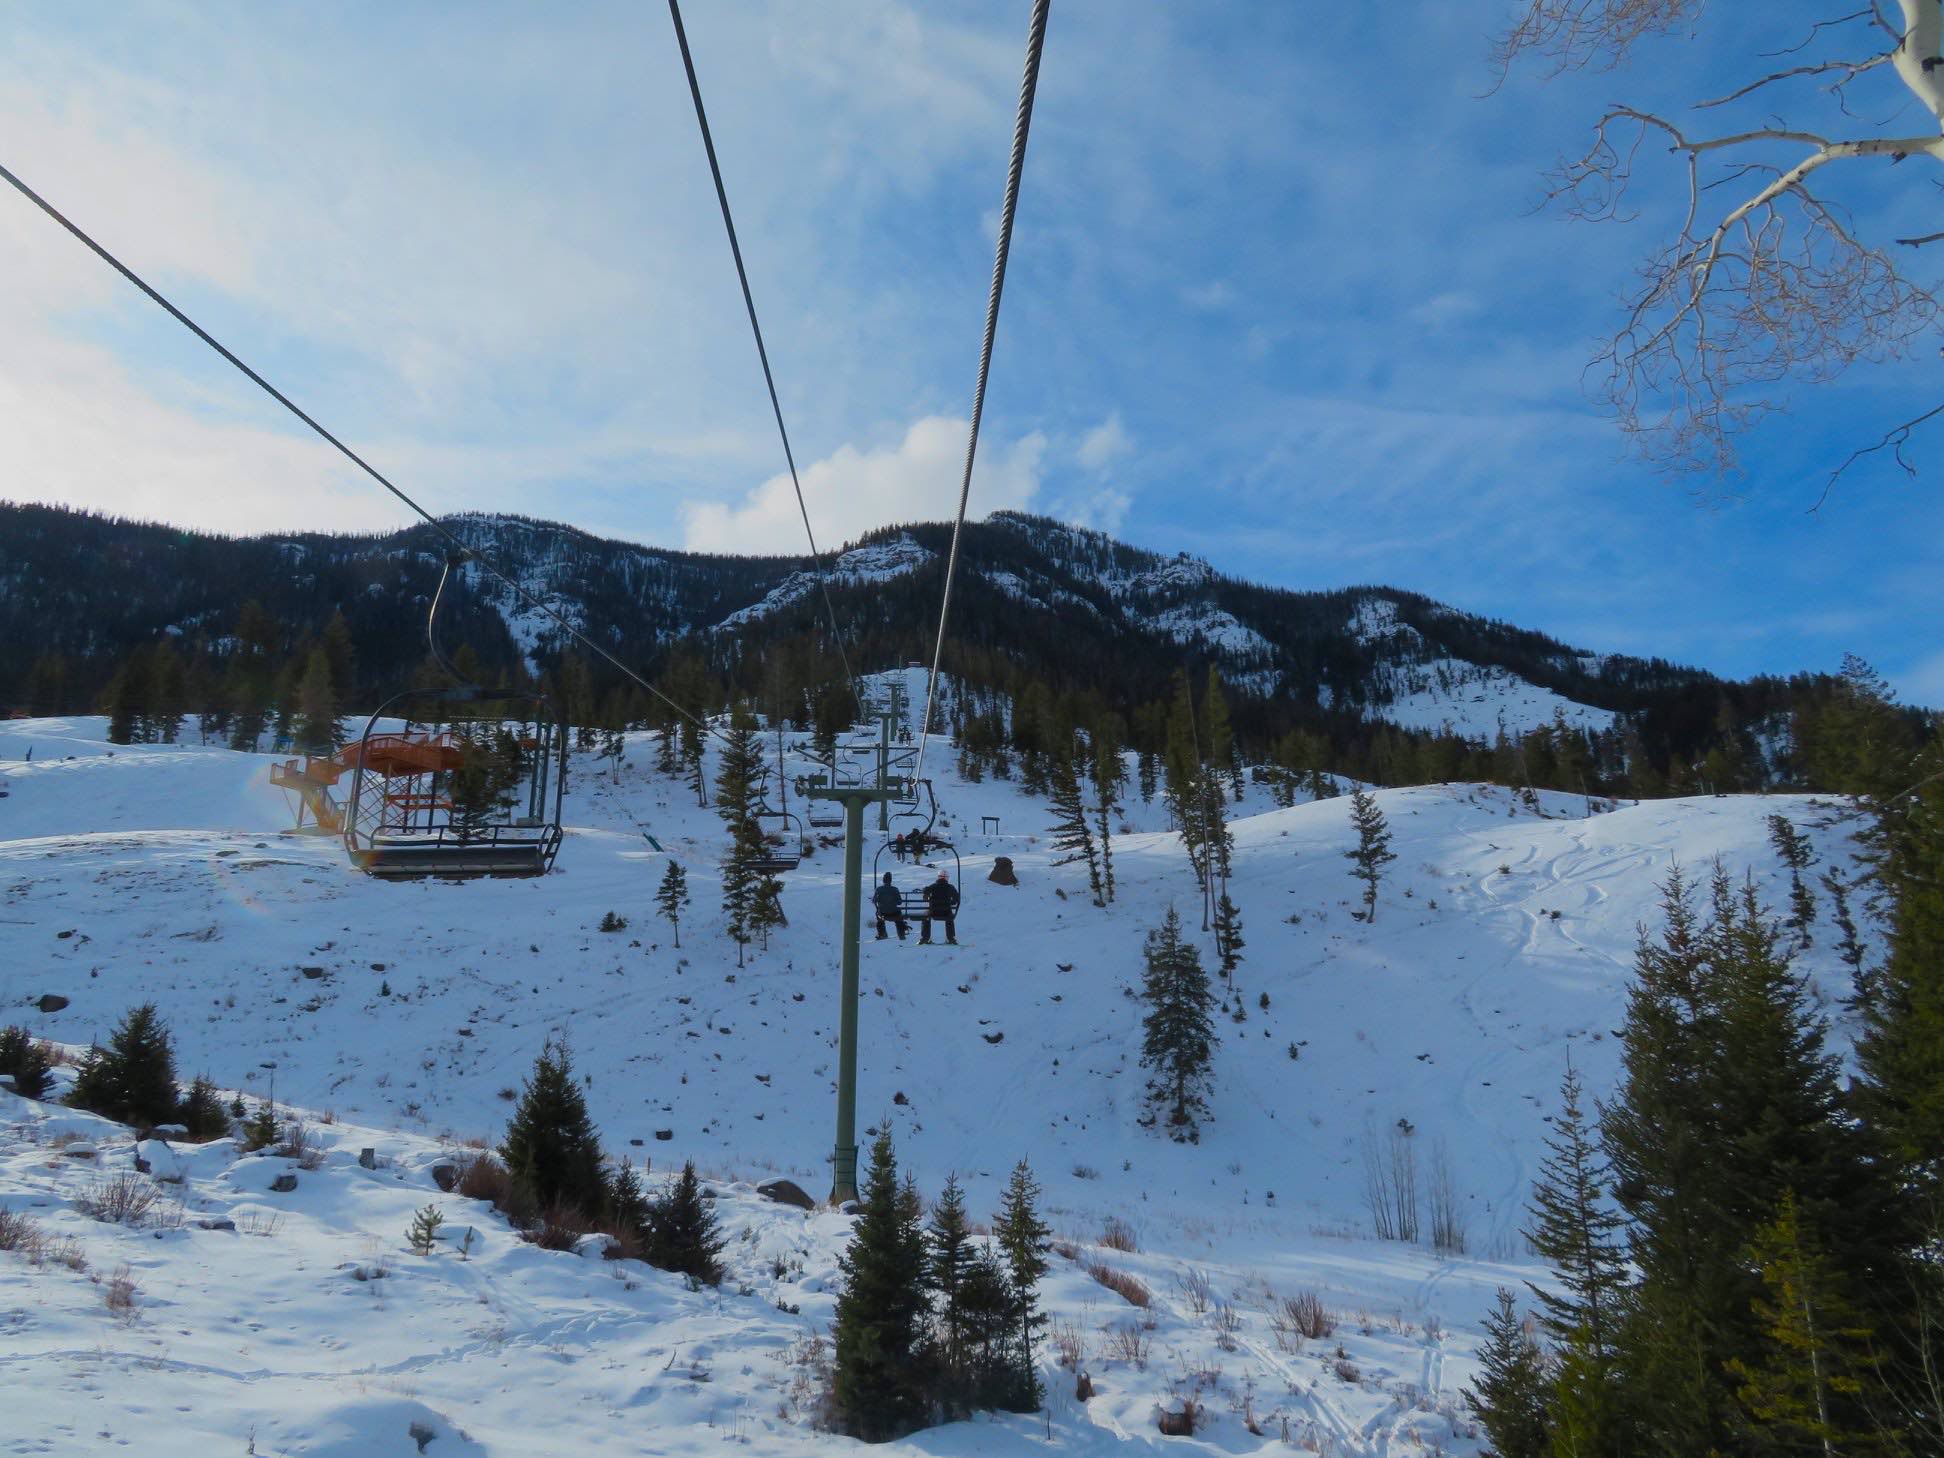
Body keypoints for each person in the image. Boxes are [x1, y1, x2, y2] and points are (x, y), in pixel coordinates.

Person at [919, 869, 959, 945]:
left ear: (938, 877)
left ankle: (925, 938)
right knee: (950, 917)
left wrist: (925, 890)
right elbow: (956, 899)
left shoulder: (933, 886)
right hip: (946, 912)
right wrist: (951, 902)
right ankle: (951, 938)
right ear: (947, 878)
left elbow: (925, 891)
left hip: (933, 912)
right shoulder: (950, 887)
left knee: (925, 916)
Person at [872, 870, 907, 941]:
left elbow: (874, 900)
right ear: (890, 880)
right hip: (894, 912)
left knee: (879, 918)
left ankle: (882, 934)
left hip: (883, 912)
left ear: (883, 880)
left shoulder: (879, 889)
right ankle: (901, 933)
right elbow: (899, 902)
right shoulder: (895, 889)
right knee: (899, 918)